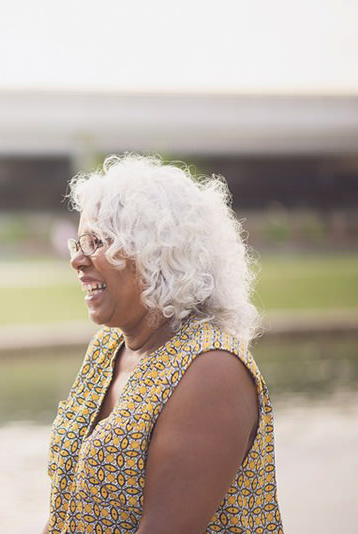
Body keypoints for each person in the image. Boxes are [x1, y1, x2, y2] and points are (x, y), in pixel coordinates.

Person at [46, 154, 283, 533]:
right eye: (79, 241)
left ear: (158, 252)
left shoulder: (211, 369)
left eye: (97, 242)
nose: (77, 259)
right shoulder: (108, 348)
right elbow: (66, 511)